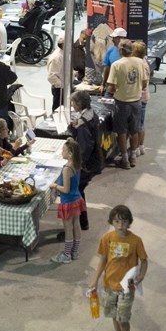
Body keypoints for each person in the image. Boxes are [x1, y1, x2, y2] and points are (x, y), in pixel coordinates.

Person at [87, 204, 147, 331]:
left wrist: (141, 275)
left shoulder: (136, 241)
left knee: (123, 319)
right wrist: (94, 280)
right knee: (114, 316)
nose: (121, 225)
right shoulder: (107, 239)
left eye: (124, 221)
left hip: (126, 288)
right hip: (108, 286)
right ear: (111, 222)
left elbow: (144, 260)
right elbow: (103, 260)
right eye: (117, 221)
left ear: (129, 222)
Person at [106, 40, 147, 169]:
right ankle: (133, 156)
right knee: (134, 131)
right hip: (136, 102)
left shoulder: (116, 65)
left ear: (120, 50)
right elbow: (145, 83)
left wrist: (116, 90)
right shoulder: (140, 62)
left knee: (122, 132)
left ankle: (124, 160)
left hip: (121, 103)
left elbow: (111, 87)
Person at [68, 90, 101, 231]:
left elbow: (85, 147)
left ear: (79, 104)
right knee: (80, 192)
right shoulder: (91, 114)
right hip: (93, 160)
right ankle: (83, 222)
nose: (72, 105)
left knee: (75, 193)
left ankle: (78, 224)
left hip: (85, 165)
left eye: (73, 102)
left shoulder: (83, 124)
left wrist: (77, 164)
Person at [49, 139, 86, 264]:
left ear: (70, 153)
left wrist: (54, 186)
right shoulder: (76, 164)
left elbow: (65, 189)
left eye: (63, 150)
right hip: (77, 199)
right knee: (76, 225)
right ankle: (74, 252)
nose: (61, 152)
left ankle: (66, 255)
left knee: (68, 228)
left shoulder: (67, 169)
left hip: (68, 201)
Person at [46, 35, 64, 111]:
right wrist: (62, 85)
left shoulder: (63, 53)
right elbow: (51, 77)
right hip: (59, 88)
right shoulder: (56, 57)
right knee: (57, 111)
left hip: (63, 86)